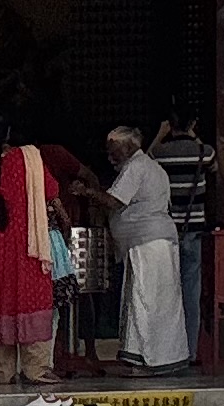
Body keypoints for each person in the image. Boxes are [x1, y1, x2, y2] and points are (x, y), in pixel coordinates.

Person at [0, 127, 65, 385]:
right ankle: (36, 370)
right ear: (10, 133)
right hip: (28, 251)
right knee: (32, 303)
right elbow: (52, 190)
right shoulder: (30, 159)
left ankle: (3, 372)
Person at [81, 124, 191, 371]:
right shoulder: (153, 167)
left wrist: (87, 192)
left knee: (144, 299)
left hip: (146, 243)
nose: (110, 156)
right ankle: (167, 357)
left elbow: (114, 201)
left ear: (129, 147)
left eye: (114, 149)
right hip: (160, 240)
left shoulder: (136, 167)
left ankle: (147, 359)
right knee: (162, 301)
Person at [153, 105, 216, 358]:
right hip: (194, 228)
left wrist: (160, 135)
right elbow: (215, 168)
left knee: (166, 291)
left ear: (170, 124)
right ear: (193, 124)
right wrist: (193, 134)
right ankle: (190, 351)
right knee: (191, 292)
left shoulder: (160, 153)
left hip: (167, 231)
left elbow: (142, 164)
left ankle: (167, 351)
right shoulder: (204, 152)